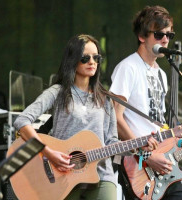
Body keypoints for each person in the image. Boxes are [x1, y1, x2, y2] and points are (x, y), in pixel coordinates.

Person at [13, 34, 157, 200]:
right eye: (85, 58)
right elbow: (22, 121)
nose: (92, 62)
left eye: (96, 57)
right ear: (73, 60)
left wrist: (137, 145)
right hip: (63, 174)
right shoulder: (58, 92)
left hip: (102, 175)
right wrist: (48, 152)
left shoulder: (105, 98)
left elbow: (111, 142)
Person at [110, 6, 182, 199]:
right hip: (138, 164)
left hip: (162, 160)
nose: (165, 40)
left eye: (169, 35)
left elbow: (159, 124)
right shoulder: (128, 68)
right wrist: (146, 155)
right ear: (142, 36)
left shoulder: (161, 75)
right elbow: (116, 118)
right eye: (158, 34)